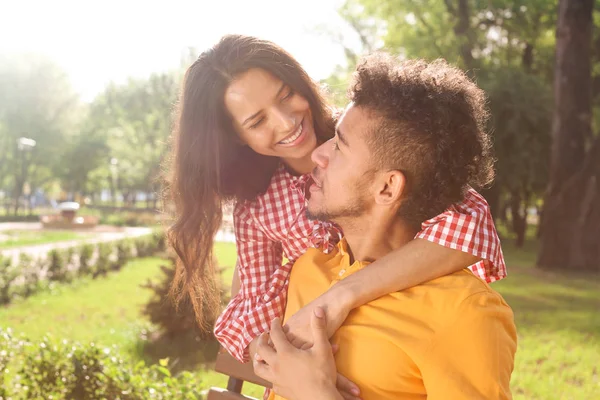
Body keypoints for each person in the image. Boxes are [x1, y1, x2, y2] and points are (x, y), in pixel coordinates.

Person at [166, 34, 505, 373]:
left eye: (286, 95)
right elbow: (252, 303)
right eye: (257, 121)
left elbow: (470, 225)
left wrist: (342, 295)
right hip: (339, 356)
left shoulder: (365, 132)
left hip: (404, 335)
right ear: (235, 138)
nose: (286, 122)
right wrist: (284, 364)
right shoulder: (257, 206)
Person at [255, 54, 517, 400]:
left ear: (387, 188)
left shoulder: (464, 312)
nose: (319, 154)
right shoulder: (309, 267)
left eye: (341, 145)